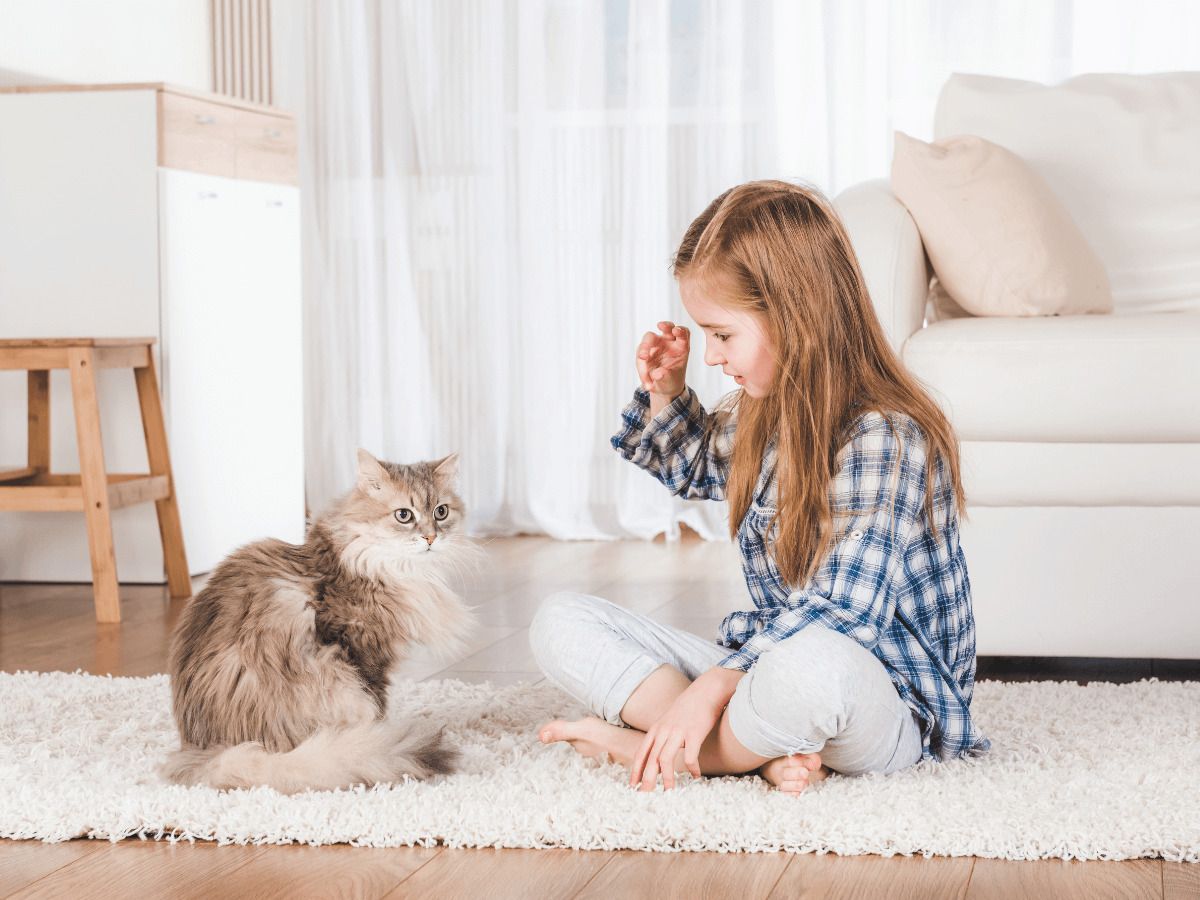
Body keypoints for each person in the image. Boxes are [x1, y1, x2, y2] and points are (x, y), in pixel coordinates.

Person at [529, 179, 990, 796]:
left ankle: (660, 746)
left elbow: (844, 615)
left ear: (795, 317)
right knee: (560, 621)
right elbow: (694, 465)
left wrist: (711, 687)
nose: (713, 356)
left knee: (813, 670)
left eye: (722, 335)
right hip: (763, 670)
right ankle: (757, 751)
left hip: (882, 698)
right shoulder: (760, 412)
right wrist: (667, 391)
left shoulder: (888, 436)